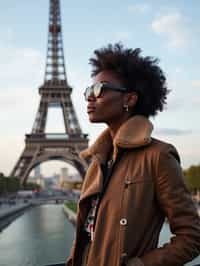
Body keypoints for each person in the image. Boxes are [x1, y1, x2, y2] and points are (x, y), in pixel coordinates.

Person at [66, 43, 200, 266]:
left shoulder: (158, 156)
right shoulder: (96, 163)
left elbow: (192, 237)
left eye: (100, 89)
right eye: (89, 91)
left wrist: (140, 265)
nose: (90, 97)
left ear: (129, 99)